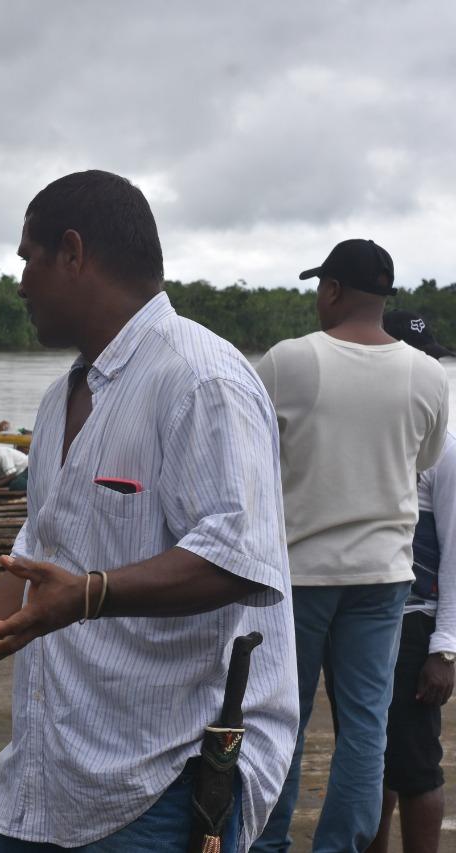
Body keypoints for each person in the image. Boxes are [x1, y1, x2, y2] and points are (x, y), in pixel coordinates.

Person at [0, 170, 297, 852]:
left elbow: (238, 560)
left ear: (72, 253)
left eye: (28, 259)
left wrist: (90, 593)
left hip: (163, 776)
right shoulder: (60, 401)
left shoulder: (201, 380)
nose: (21, 283)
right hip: (47, 771)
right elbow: (34, 574)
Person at [253, 242, 449, 853]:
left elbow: (251, 452)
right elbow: (423, 460)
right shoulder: (428, 373)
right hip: (384, 577)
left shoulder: (290, 360)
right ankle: (341, 847)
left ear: (332, 289)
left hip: (300, 574)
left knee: (281, 718)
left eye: (321, 287)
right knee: (367, 726)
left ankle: (268, 842)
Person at [363, 310, 456, 853]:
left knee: (416, 765)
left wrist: (444, 649)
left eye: (432, 362)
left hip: (414, 624)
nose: (427, 372)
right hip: (360, 618)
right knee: (369, 759)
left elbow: (454, 555)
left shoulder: (445, 451)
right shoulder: (367, 440)